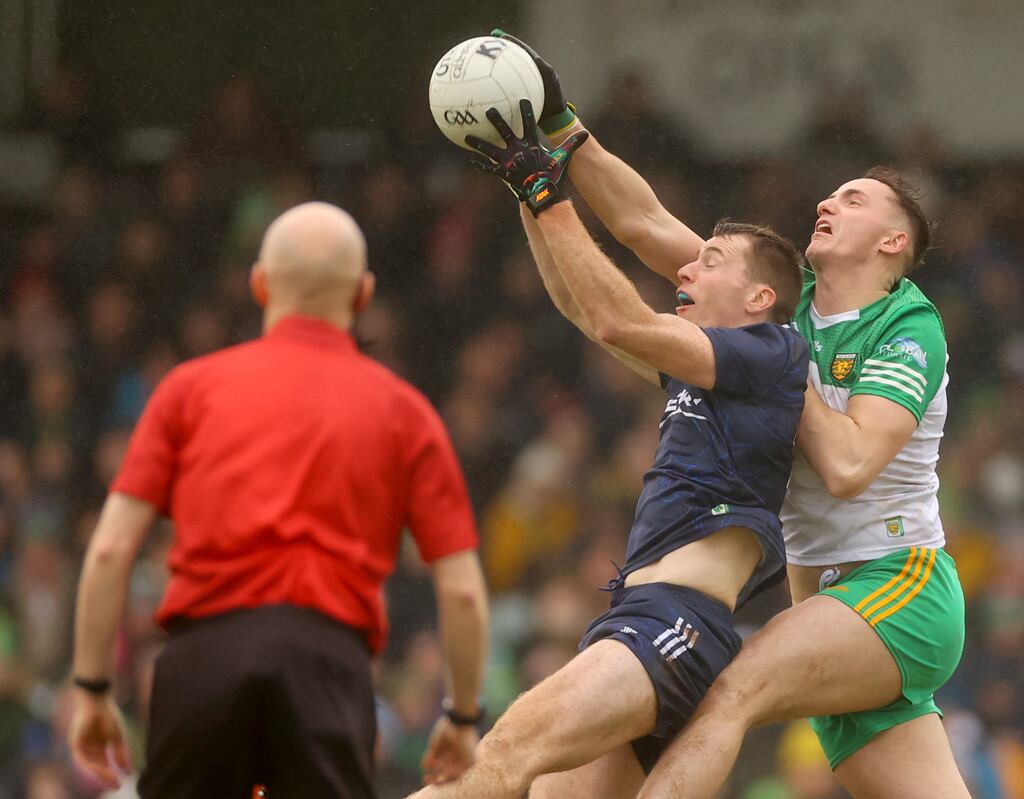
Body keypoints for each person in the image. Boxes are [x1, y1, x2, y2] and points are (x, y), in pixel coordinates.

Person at [493, 31, 969, 798]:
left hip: (896, 587)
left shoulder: (906, 326)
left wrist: (784, 366)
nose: (826, 200)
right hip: (827, 602)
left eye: (852, 199)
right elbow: (647, 226)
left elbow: (847, 467)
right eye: (830, 192)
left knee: (730, 691)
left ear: (893, 241)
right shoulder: (792, 310)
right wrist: (563, 128)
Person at [407, 100, 808, 798]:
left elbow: (617, 319)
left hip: (675, 624)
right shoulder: (713, 370)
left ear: (759, 297)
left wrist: (550, 193)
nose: (685, 272)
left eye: (709, 262)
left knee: (501, 755)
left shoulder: (771, 350)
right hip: (647, 621)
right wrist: (528, 197)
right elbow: (577, 306)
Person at [67, 202, 489, 799]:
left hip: (201, 667)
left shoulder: (188, 390)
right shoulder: (404, 413)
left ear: (260, 284)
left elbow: (110, 551)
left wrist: (92, 691)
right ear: (363, 294)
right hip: (326, 670)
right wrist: (463, 717)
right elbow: (463, 589)